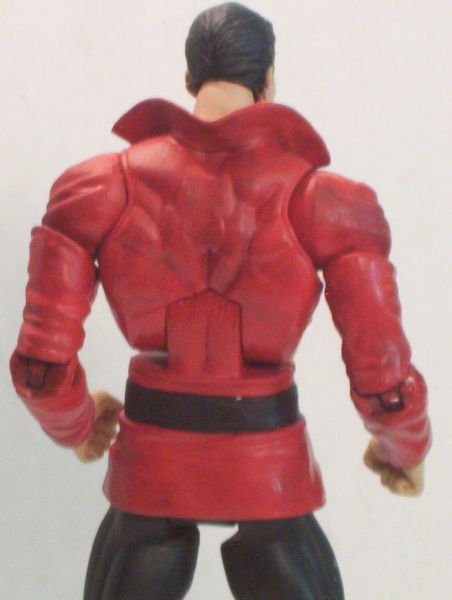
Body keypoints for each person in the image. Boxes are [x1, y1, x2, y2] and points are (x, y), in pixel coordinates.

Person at [10, 3, 431, 599]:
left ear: (189, 78)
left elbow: (41, 366)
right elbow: (381, 369)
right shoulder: (322, 201)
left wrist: (77, 424)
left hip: (152, 458)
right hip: (267, 462)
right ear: (268, 81)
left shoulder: (101, 187)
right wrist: (404, 447)